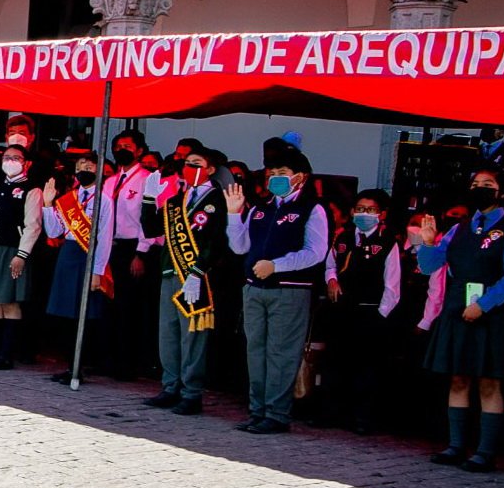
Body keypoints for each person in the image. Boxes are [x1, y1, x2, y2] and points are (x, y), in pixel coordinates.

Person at [417, 164, 504, 471]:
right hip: (457, 308)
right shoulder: (459, 228)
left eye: (488, 183)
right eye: (476, 182)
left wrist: (484, 304)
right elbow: (430, 266)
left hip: (492, 313)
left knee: (489, 382)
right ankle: (455, 445)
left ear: (501, 190)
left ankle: (485, 451)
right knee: (458, 378)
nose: (480, 187)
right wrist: (428, 243)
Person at [225, 144, 329, 434]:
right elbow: (239, 246)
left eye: (282, 173)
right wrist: (234, 216)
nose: (275, 179)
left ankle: (278, 413)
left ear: (300, 177)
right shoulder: (261, 207)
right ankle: (257, 410)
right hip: (254, 288)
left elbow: (316, 252)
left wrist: (277, 264)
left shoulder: (311, 208)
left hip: (289, 289)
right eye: (272, 173)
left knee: (281, 353)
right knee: (255, 350)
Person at [141, 145, 230, 416]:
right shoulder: (175, 201)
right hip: (170, 271)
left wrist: (199, 270)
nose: (190, 167)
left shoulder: (221, 199)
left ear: (211, 169)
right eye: (188, 163)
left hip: (197, 277)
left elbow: (217, 241)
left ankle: (191, 393)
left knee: (192, 335)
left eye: (197, 163)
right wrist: (148, 198)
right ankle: (170, 387)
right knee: (168, 334)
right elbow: (151, 228)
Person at [322, 188, 401, 433]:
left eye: (370, 210)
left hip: (370, 312)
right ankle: (330, 414)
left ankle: (362, 419)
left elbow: (392, 284)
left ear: (381, 214)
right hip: (342, 310)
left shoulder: (388, 242)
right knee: (335, 363)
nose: (364, 214)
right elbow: (330, 265)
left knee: (365, 368)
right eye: (360, 209)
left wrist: (381, 315)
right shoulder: (343, 237)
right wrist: (332, 279)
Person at [39, 151, 113, 377]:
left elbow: (105, 236)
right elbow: (54, 231)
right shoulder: (68, 198)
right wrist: (48, 204)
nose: (84, 171)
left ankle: (80, 366)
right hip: (68, 254)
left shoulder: (105, 200)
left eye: (89, 167)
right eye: (81, 166)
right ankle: (70, 364)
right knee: (65, 313)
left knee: (86, 313)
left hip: (89, 256)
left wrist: (97, 271)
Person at [104, 129, 154, 380]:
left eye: (128, 146)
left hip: (133, 247)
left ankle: (130, 362)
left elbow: (148, 219)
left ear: (140, 150)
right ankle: (111, 358)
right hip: (110, 246)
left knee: (131, 306)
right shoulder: (111, 181)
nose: (121, 149)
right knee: (111, 305)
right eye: (118, 145)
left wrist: (141, 253)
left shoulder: (147, 179)